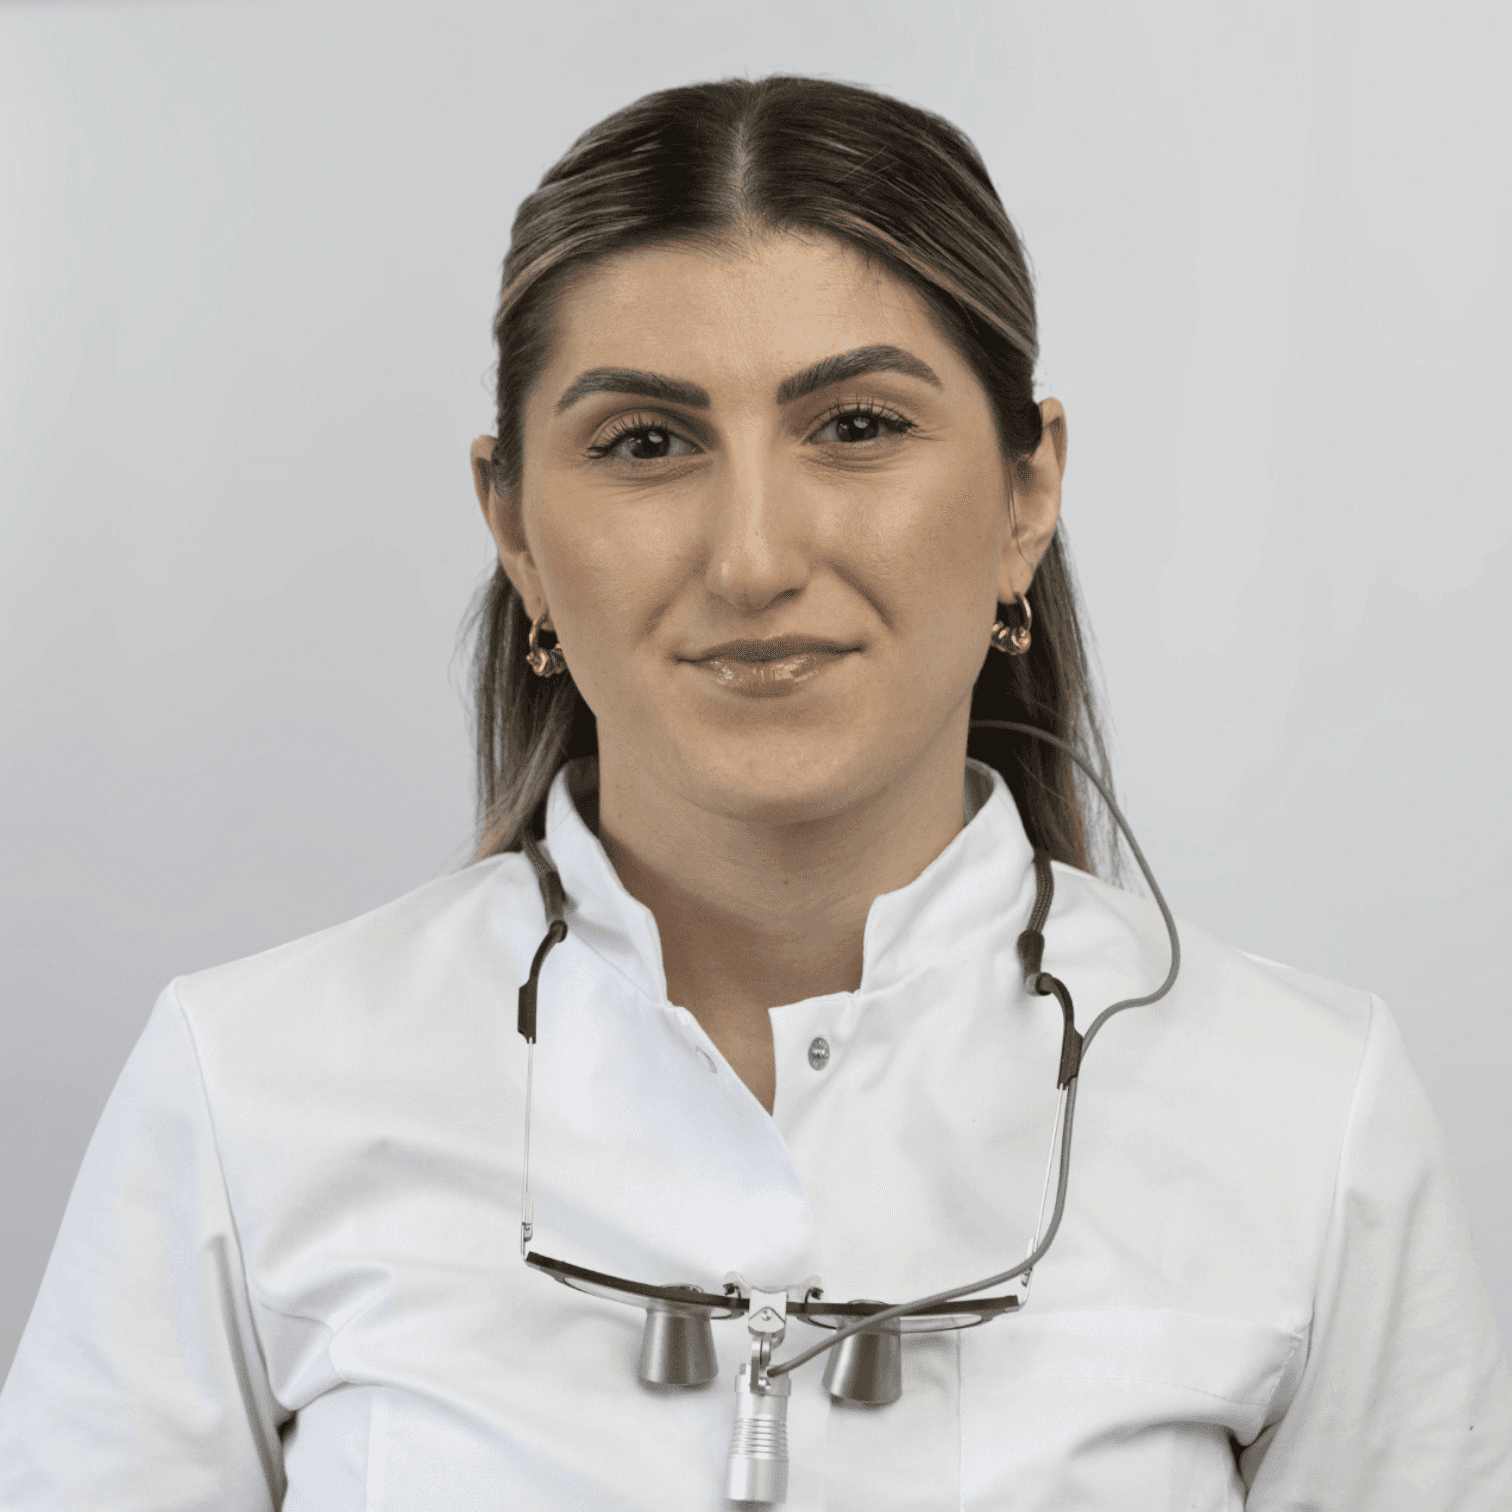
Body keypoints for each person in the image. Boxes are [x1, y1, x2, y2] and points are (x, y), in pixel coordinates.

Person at [1, 73, 1507, 1511]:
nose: (752, 559)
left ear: (1027, 493)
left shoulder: (1305, 1113)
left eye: (857, 426)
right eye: (646, 443)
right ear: (515, 529)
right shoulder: (249, 1083)